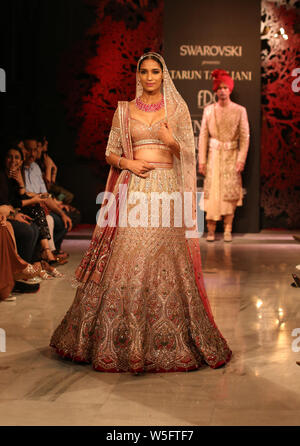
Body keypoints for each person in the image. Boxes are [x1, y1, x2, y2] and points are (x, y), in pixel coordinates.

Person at [50, 52, 232, 373]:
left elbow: (187, 152)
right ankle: (122, 343)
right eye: (144, 72)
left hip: (166, 193)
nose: (149, 77)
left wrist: (170, 141)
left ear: (163, 76)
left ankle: (168, 340)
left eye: (155, 72)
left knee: (164, 260)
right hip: (134, 191)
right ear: (138, 75)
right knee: (131, 259)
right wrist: (128, 163)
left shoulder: (175, 108)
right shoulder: (124, 110)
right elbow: (110, 152)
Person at [198, 69, 250, 242]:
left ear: (230, 89)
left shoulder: (240, 110)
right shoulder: (209, 111)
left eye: (225, 87)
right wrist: (202, 161)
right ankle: (211, 230)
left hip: (231, 156)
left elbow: (245, 136)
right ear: (215, 90)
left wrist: (241, 159)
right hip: (213, 157)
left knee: (229, 193)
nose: (222, 91)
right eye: (219, 88)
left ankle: (228, 229)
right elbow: (203, 136)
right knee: (212, 193)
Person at [23, 137, 72, 259]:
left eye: (35, 150)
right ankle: (47, 253)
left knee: (66, 215)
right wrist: (50, 170)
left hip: (46, 200)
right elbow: (47, 187)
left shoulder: (36, 166)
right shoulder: (20, 167)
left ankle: (51, 251)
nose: (33, 153)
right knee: (47, 219)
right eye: (29, 150)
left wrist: (61, 212)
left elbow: (47, 192)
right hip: (30, 206)